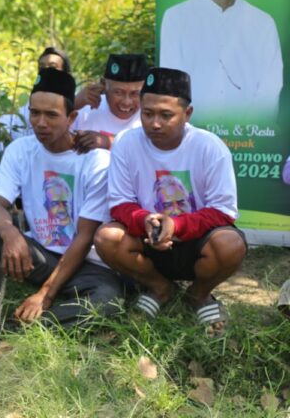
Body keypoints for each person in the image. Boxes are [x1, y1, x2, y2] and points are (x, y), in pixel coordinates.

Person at [0, 67, 122, 342]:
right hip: (40, 257)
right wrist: (11, 234)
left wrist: (45, 295)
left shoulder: (95, 161)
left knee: (109, 299)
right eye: (34, 112)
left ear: (71, 117)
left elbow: (85, 238)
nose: (40, 122)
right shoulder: (21, 150)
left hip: (86, 264)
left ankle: (19, 333)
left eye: (51, 115)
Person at [93, 68, 247, 335]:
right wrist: (145, 220)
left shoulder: (210, 147)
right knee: (106, 238)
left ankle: (198, 295)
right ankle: (160, 288)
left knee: (230, 244)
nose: (154, 123)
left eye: (166, 115)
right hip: (148, 242)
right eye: (148, 113)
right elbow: (119, 203)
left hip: (198, 243)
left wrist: (175, 225)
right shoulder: (126, 143)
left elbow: (223, 211)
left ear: (187, 114)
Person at [160, 0, 283, 121]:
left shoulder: (263, 23)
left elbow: (271, 86)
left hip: (250, 136)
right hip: (192, 132)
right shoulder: (177, 17)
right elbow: (171, 82)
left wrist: (250, 127)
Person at [2, 47, 102, 140]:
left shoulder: (84, 101)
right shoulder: (30, 104)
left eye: (53, 67)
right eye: (42, 68)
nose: (46, 72)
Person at [73, 54, 149, 153]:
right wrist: (72, 105)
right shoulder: (84, 109)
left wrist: (108, 141)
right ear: (104, 84)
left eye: (135, 94)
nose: (126, 102)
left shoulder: (150, 116)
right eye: (118, 92)